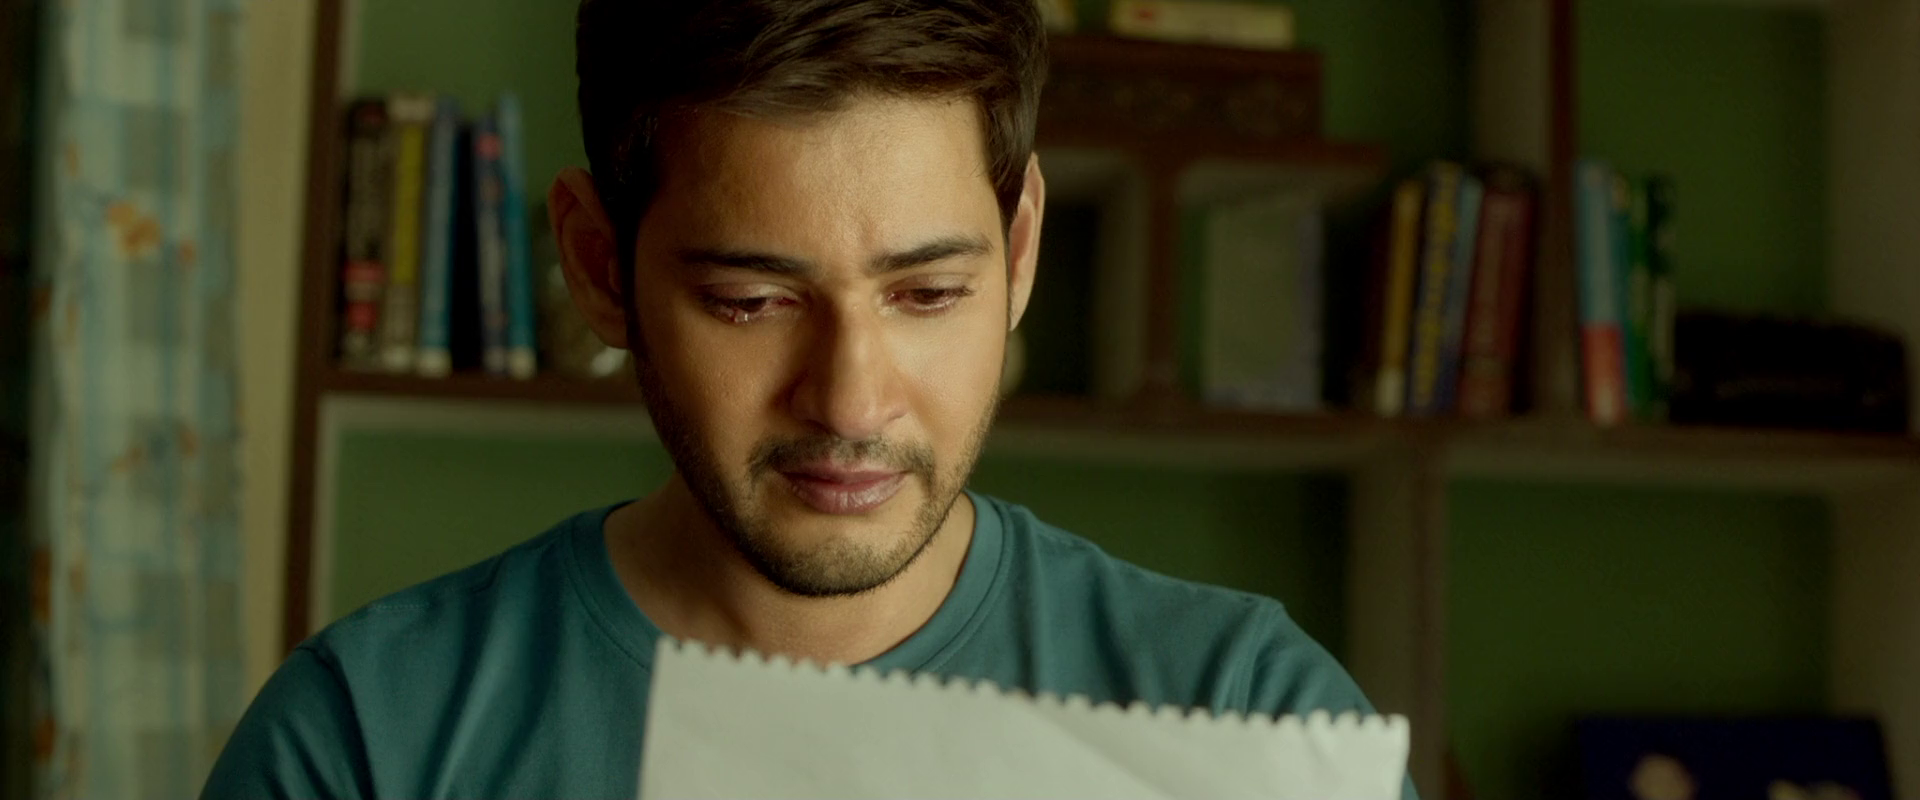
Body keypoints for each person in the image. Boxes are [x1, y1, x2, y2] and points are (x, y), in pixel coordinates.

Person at [204, 0, 1411, 797]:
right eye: (751, 301)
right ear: (597, 266)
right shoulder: (368, 740)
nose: (850, 399)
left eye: (928, 292)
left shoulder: (1251, 720)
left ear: (1021, 250)